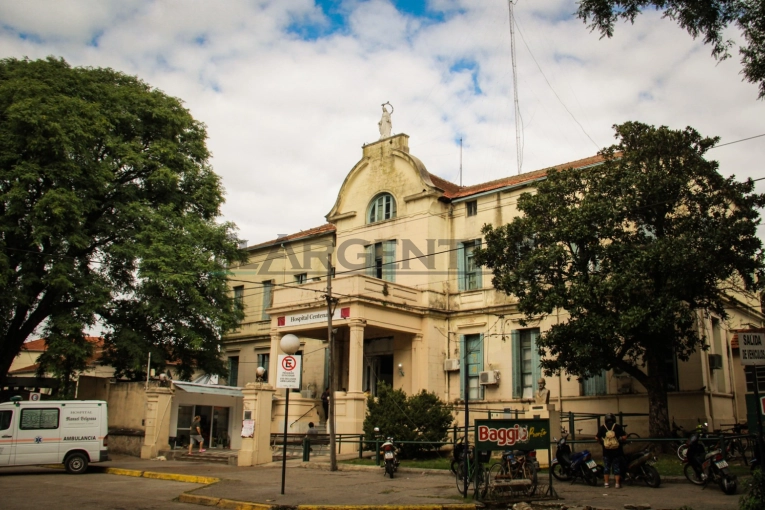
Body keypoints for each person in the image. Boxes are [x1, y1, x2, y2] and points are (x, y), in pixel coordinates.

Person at [596, 413, 626, 488]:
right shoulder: (618, 427)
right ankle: (617, 484)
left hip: (606, 451)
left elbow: (596, 437)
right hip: (617, 451)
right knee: (616, 467)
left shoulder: (602, 427)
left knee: (606, 466)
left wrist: (601, 442)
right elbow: (624, 437)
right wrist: (620, 440)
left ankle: (606, 483)